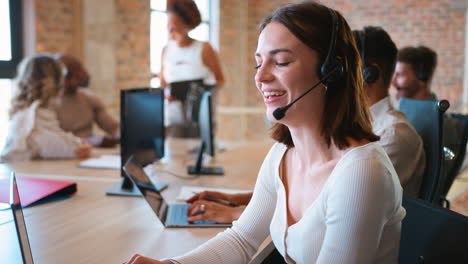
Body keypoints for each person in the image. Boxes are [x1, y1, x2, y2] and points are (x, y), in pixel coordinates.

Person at [125, 2, 405, 263]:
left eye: (280, 62)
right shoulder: (283, 155)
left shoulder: (361, 172)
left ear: (331, 71)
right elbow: (242, 239)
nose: (260, 77)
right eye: (259, 63)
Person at [184, 26, 426, 223]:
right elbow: (309, 194)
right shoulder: (342, 129)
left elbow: (323, 207)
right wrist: (239, 200)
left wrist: (234, 213)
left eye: (344, 67)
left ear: (368, 74)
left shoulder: (389, 137)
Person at [0, 54, 91, 161]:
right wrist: (79, 146)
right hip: (20, 174)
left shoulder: (35, 111)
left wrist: (78, 145)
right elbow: (66, 149)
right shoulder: (31, 115)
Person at [160, 0, 224, 136]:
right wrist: (167, 94)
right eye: (168, 26)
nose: (170, 31)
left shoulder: (204, 48)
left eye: (174, 26)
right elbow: (163, 82)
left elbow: (220, 80)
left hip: (199, 116)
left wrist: (203, 96)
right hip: (174, 116)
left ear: (186, 26)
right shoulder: (166, 50)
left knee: (198, 151)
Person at [54, 53, 120, 147]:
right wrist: (89, 141)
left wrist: (119, 135)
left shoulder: (90, 98)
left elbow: (113, 127)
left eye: (80, 70)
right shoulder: (49, 103)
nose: (81, 75)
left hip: (90, 153)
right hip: (63, 155)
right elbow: (53, 140)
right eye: (74, 73)